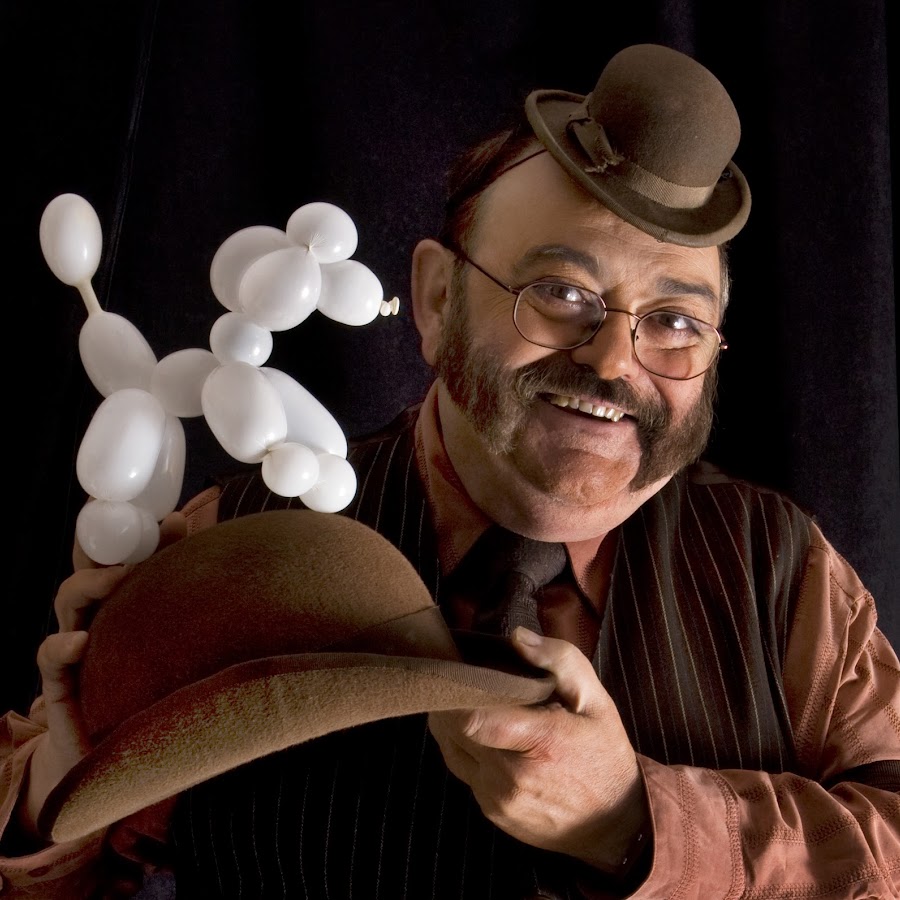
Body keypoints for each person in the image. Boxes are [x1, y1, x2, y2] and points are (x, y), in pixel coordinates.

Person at [2, 42, 898, 899]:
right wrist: (62, 779)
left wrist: (637, 823)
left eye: (674, 322)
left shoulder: (782, 571)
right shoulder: (237, 546)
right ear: (436, 298)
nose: (613, 360)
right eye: (561, 293)